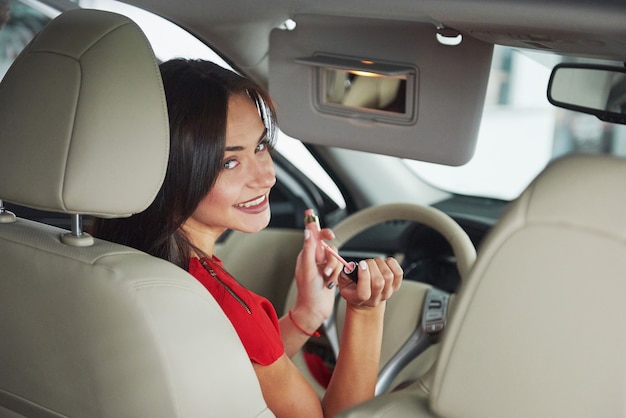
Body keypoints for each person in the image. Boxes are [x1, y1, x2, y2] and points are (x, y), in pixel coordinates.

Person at [92, 58, 403, 417]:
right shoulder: (213, 296)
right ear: (172, 171)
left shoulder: (114, 257)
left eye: (260, 147)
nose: (266, 177)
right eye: (229, 163)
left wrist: (307, 312)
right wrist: (366, 310)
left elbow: (237, 368)